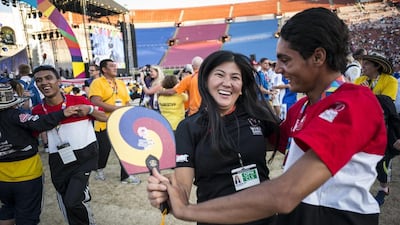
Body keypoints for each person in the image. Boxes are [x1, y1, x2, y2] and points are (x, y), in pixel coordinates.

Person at [148, 8, 387, 225]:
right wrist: (173, 183)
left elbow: (284, 194)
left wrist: (188, 210)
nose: (278, 69)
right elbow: (251, 144)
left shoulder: (355, 102)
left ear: (318, 57)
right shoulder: (300, 109)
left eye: (285, 59)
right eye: (219, 75)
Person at [148, 50, 280, 225]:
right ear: (205, 81)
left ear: (242, 87)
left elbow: (289, 146)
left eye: (235, 78)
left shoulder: (260, 116)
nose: (227, 83)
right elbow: (182, 186)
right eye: (219, 75)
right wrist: (167, 192)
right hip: (214, 219)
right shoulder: (189, 127)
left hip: (264, 219)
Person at [31, 65, 107, 225]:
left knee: (74, 200)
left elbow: (104, 117)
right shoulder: (38, 110)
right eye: (39, 80)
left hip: (84, 159)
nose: (44, 83)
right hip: (59, 161)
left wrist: (90, 109)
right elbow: (30, 135)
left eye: (48, 78)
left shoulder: (78, 101)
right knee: (66, 203)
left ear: (58, 81)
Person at [0, 84, 80, 225]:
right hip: (27, 174)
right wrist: (62, 113)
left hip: (2, 177)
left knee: (8, 210)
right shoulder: (16, 115)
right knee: (27, 216)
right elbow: (38, 123)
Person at [89, 59, 140, 184]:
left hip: (121, 121)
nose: (115, 68)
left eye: (115, 65)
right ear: (104, 69)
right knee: (104, 149)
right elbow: (95, 101)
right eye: (111, 66)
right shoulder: (97, 83)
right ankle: (99, 169)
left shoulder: (121, 83)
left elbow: (127, 102)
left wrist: (127, 112)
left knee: (125, 148)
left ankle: (126, 175)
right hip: (103, 122)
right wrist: (117, 109)